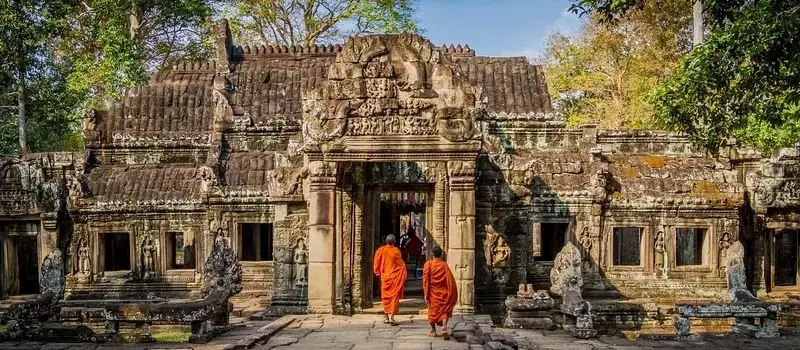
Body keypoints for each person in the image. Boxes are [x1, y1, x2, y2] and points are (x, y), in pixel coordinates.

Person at [423, 247, 458, 340]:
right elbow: (450, 281)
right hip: (444, 292)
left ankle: (433, 331)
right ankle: (444, 327)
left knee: (432, 312)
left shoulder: (428, 264)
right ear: (441, 255)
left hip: (433, 292)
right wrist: (452, 291)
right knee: (444, 311)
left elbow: (426, 281)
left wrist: (426, 293)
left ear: (432, 254)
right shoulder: (444, 265)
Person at [373, 234, 407, 326]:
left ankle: (387, 317)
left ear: (386, 241)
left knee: (385, 297)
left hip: (385, 277)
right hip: (394, 277)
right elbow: (400, 265)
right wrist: (403, 269)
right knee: (394, 297)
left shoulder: (380, 250)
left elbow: (376, 262)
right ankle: (391, 317)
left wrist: (377, 271)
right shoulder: (396, 251)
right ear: (394, 242)